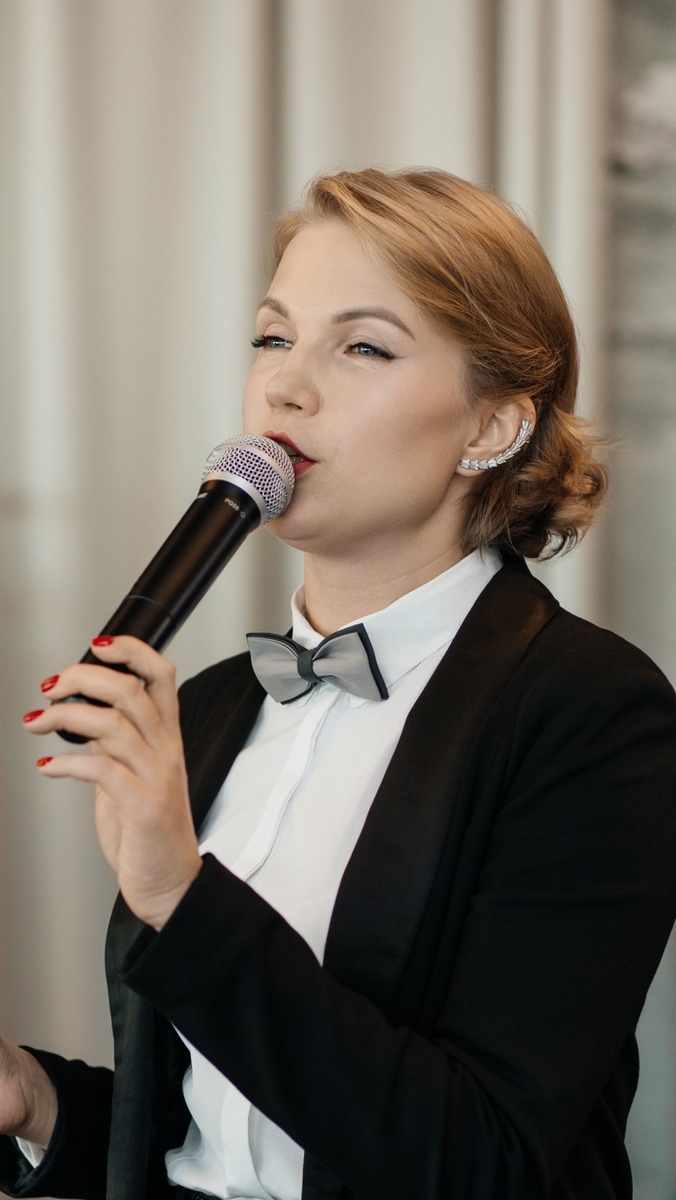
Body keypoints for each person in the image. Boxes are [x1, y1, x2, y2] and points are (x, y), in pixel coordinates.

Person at [2, 167, 675, 1200]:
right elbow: (214, 1139)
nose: (284, 387)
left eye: (362, 347)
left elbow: (482, 1158)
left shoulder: (590, 714)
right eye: (273, 337)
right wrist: (30, 1100)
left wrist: (181, 895)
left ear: (492, 428)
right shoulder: (210, 709)